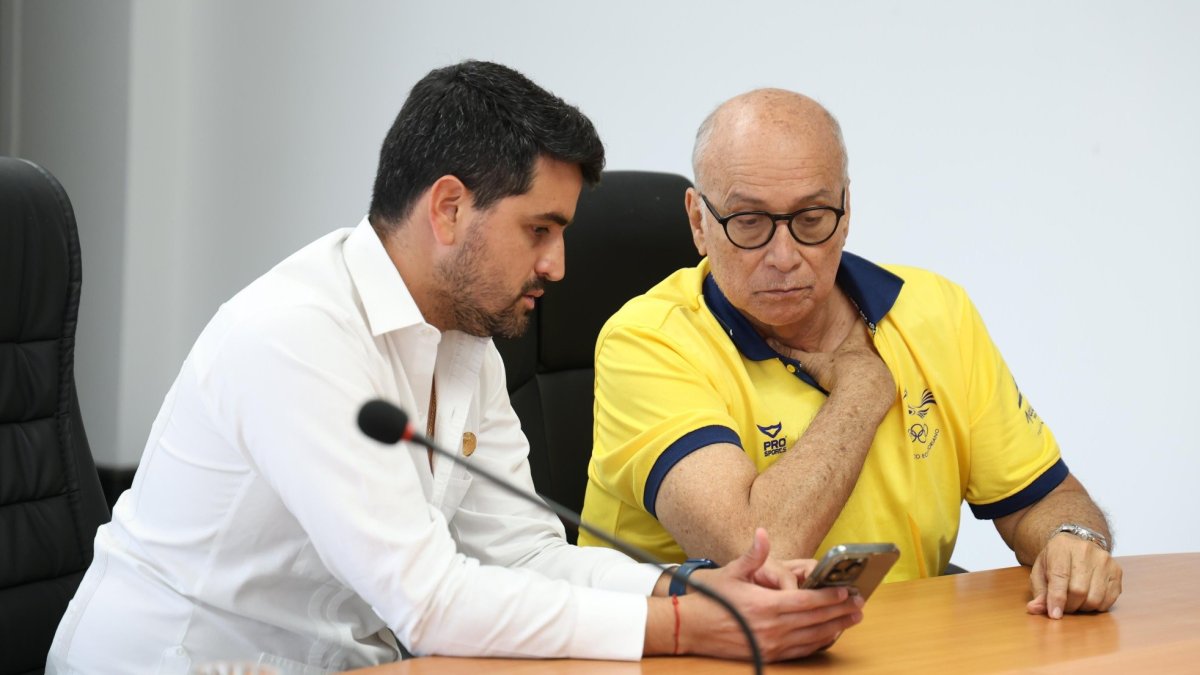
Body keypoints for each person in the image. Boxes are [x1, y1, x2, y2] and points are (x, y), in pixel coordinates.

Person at [45, 63, 867, 674]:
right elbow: (430, 599)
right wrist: (688, 628)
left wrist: (693, 588)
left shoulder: (463, 335)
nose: (559, 265)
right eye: (539, 230)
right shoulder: (295, 334)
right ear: (448, 209)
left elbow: (526, 554)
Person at [579, 88, 1123, 621]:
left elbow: (1041, 499)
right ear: (699, 221)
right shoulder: (644, 341)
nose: (785, 256)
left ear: (846, 211)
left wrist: (1074, 541)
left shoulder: (936, 311)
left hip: (896, 647)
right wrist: (863, 389)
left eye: (812, 218)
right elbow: (755, 552)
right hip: (700, 655)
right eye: (749, 223)